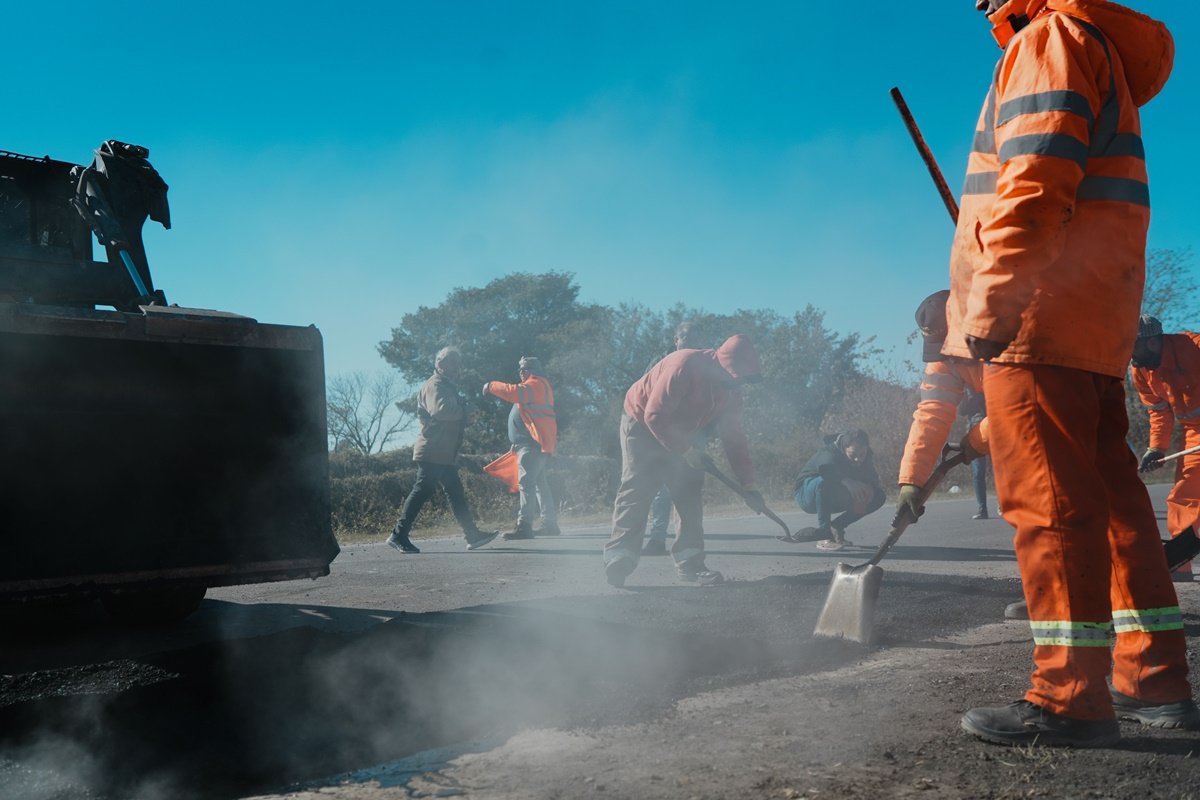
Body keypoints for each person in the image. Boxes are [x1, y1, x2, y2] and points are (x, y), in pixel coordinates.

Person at [945, 0, 1196, 747]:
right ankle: (1155, 682)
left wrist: (992, 302)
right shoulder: (1098, 48)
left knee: (1051, 509)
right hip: (1088, 322)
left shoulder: (1049, 39)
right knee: (1118, 512)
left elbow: (1034, 180)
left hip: (1037, 319)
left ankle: (1067, 698)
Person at [603, 334, 766, 587]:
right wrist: (686, 450)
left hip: (685, 431)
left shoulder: (732, 392)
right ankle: (619, 557)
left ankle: (690, 563)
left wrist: (749, 485)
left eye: (740, 379)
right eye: (733, 376)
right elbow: (655, 416)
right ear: (719, 362)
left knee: (688, 488)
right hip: (642, 421)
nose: (735, 382)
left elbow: (734, 439)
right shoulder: (684, 366)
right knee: (639, 484)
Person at [385, 347, 500, 554]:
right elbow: (442, 412)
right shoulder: (435, 384)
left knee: (455, 493)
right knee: (422, 491)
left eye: (459, 362)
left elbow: (449, 416)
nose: (459, 367)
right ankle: (398, 535)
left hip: (443, 452)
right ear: (440, 364)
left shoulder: (446, 385)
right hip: (433, 450)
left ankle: (472, 535)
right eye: (454, 362)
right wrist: (466, 411)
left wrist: (465, 414)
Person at [896, 290, 986, 525]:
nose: (945, 354)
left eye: (947, 343)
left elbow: (1015, 409)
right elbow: (932, 414)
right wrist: (912, 480)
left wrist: (975, 441)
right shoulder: (943, 362)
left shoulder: (1004, 340)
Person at [1130, 314, 1200, 582]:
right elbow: (1159, 413)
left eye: (1131, 345)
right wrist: (1156, 449)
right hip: (1195, 434)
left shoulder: (1194, 347)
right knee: (1184, 495)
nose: (1128, 353)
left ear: (1150, 341)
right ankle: (1178, 566)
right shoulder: (1140, 371)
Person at [643, 321, 703, 557]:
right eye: (686, 338)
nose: (691, 342)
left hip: (690, 434)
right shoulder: (660, 363)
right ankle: (657, 539)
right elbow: (645, 395)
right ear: (676, 340)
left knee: (686, 490)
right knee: (661, 490)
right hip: (659, 433)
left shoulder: (704, 365)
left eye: (695, 337)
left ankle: (687, 548)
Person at [484, 356, 559, 540]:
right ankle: (550, 524)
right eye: (520, 370)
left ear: (532, 370)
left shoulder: (536, 384)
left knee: (527, 483)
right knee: (540, 483)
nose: (521, 373)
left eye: (524, 369)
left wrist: (491, 385)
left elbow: (512, 392)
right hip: (533, 444)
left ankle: (524, 526)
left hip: (531, 445)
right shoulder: (538, 386)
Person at [794, 429, 885, 551]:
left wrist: (868, 487)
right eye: (853, 455)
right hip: (806, 496)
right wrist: (848, 482)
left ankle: (837, 526)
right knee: (824, 482)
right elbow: (826, 471)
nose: (858, 459)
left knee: (878, 496)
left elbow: (872, 477)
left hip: (834, 497)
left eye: (862, 454)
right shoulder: (829, 452)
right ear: (844, 447)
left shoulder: (866, 454)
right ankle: (824, 534)